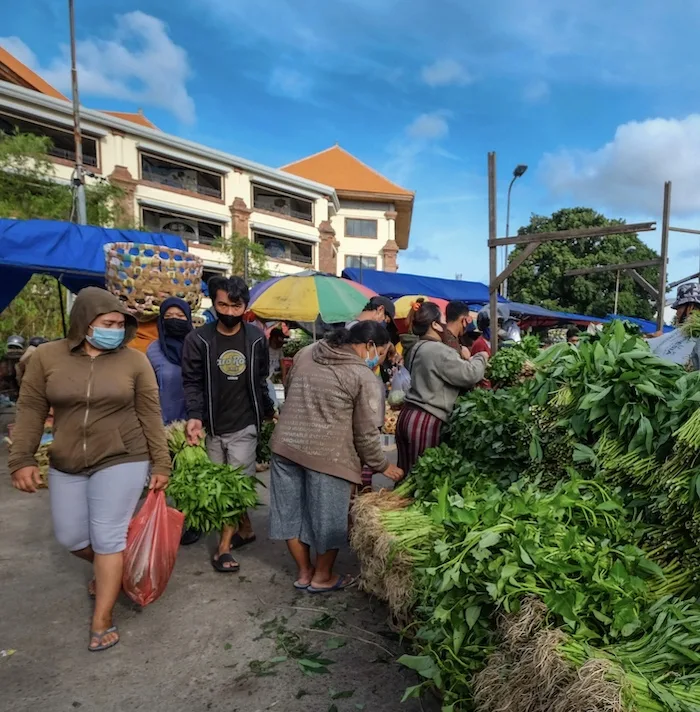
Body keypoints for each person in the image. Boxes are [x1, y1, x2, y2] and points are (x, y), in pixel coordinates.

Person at [8, 287, 171, 652]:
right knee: (71, 537)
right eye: (107, 323)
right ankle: (112, 570)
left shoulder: (133, 361)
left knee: (108, 536)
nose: (115, 329)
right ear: (84, 322)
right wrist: (21, 459)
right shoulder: (48, 357)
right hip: (67, 458)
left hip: (123, 455)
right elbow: (31, 409)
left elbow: (149, 413)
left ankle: (102, 619)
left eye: (119, 324)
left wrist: (161, 462)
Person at [269, 321, 403, 592]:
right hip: (327, 455)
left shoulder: (306, 352)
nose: (378, 360)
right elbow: (365, 433)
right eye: (381, 352)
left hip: (285, 447)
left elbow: (291, 386)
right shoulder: (361, 375)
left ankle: (304, 573)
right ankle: (322, 577)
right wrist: (382, 465)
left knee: (290, 513)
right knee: (330, 520)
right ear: (369, 347)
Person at [182, 275, 275, 573]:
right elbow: (192, 383)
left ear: (245, 306)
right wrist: (195, 416)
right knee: (217, 482)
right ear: (214, 302)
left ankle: (223, 548)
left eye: (236, 306)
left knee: (233, 487)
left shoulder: (256, 338)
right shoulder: (198, 340)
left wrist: (268, 411)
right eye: (223, 304)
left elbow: (261, 379)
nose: (230, 312)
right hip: (211, 425)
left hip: (244, 424)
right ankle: (245, 529)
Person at [397, 301, 488, 475]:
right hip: (425, 421)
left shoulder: (416, 347)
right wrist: (481, 357)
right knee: (422, 478)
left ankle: (390, 502)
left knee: (405, 475)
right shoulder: (437, 350)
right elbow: (469, 374)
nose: (445, 324)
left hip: (408, 416)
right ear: (434, 324)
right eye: (442, 319)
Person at [146, 298, 193, 425]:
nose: (174, 319)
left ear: (188, 319)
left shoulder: (198, 347)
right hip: (163, 424)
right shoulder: (153, 350)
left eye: (180, 315)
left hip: (196, 423)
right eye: (168, 316)